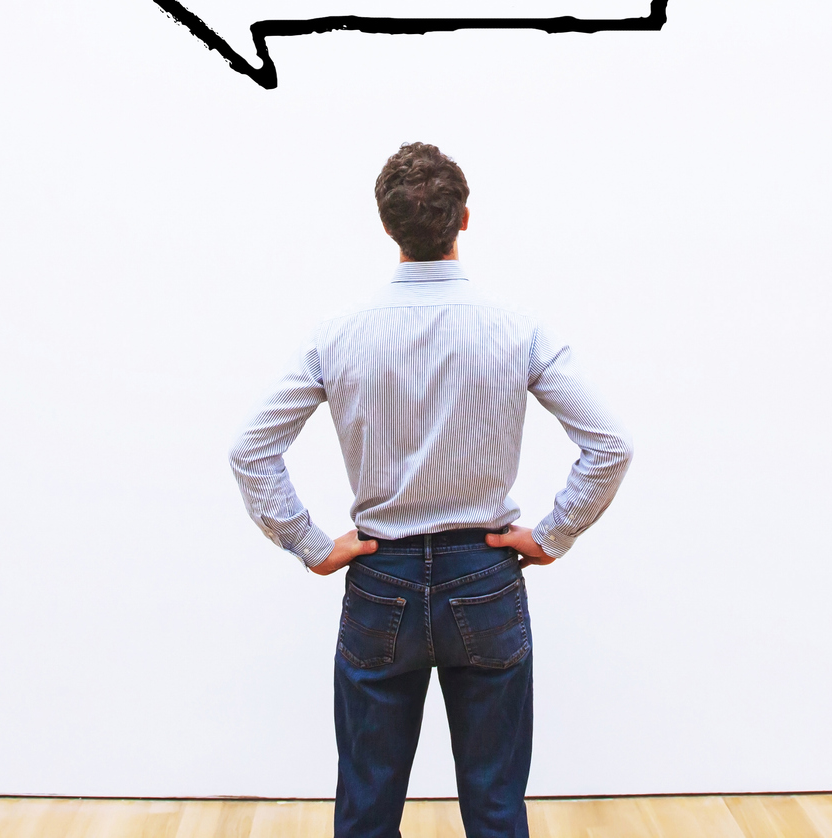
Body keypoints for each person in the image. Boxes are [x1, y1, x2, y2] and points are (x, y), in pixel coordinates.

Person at [229, 142, 633, 838]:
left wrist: (310, 545)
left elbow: (250, 449)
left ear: (385, 226)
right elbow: (609, 443)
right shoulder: (515, 327)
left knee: (366, 804)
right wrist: (553, 533)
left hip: (379, 576)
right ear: (464, 219)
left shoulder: (339, 333)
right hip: (484, 574)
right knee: (496, 805)